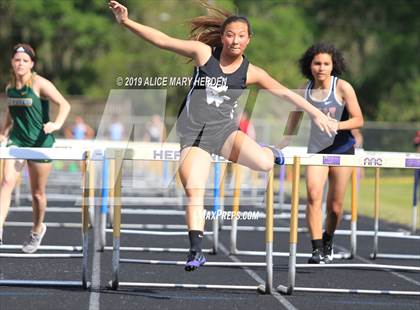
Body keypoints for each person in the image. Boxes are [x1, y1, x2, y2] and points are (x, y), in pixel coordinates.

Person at [109, 1, 337, 271]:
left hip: (225, 132)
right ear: (222, 37)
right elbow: (162, 40)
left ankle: (270, 152)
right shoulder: (204, 53)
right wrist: (126, 22)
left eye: (241, 35)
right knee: (195, 190)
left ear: (249, 39)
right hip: (194, 135)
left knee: (265, 164)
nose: (235, 40)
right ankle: (195, 251)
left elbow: (287, 93)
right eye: (230, 35)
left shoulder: (252, 73)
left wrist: (317, 113)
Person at [0, 44, 71, 252]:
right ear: (12, 63)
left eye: (24, 60)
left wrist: (56, 124)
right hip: (17, 142)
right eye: (16, 60)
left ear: (31, 64)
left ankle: (37, 229)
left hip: (41, 143)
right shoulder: (9, 87)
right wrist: (4, 132)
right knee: (6, 182)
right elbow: (11, 112)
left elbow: (65, 104)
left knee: (37, 194)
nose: (20, 63)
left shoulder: (40, 84)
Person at [299, 43, 364, 264]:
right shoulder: (305, 89)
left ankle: (328, 239)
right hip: (316, 150)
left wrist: (336, 125)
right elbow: (293, 119)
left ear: (333, 65)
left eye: (326, 63)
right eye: (317, 63)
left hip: (343, 149)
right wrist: (281, 144)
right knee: (313, 195)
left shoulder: (343, 87)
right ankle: (316, 248)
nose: (321, 68)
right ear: (310, 66)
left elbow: (358, 120)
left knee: (335, 207)